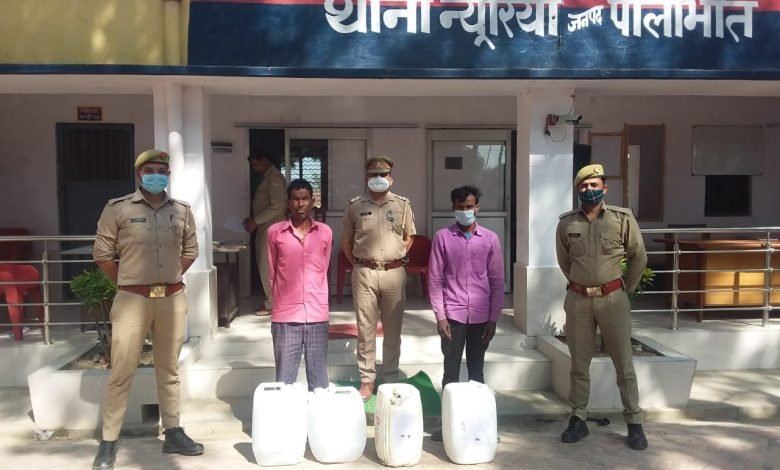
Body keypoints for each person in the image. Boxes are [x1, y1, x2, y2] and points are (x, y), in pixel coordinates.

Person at [92, 149, 203, 470]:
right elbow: (103, 254)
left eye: (162, 170)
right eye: (150, 169)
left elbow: (191, 250)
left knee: (169, 369)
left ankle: (173, 431)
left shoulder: (181, 210)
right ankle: (109, 441)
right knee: (121, 371)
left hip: (171, 298)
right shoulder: (118, 208)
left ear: (168, 175)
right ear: (139, 174)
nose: (157, 175)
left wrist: (170, 277)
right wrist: (129, 282)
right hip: (132, 299)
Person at [555, 163, 649, 451]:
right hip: (578, 300)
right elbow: (564, 261)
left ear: (604, 188)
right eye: (584, 186)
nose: (589, 190)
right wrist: (581, 283)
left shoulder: (622, 218)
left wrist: (623, 290)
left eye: (594, 185)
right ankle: (578, 419)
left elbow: (638, 256)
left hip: (613, 300)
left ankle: (634, 423)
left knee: (624, 363)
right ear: (577, 190)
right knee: (578, 364)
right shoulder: (567, 223)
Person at [428, 185, 504, 441]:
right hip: (453, 315)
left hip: (481, 317)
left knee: (476, 371)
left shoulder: (490, 239)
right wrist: (440, 316)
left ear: (477, 207)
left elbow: (497, 281)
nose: (465, 211)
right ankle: (447, 425)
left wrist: (493, 318)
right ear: (453, 208)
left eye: (469, 206)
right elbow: (435, 279)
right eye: (460, 207)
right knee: (450, 372)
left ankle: (478, 423)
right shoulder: (442, 238)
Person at [341, 155, 416, 400]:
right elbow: (346, 241)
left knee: (393, 331)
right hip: (365, 273)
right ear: (366, 177)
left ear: (391, 178)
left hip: (394, 273)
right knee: (366, 330)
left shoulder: (403, 205)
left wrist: (395, 256)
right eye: (374, 175)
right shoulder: (354, 206)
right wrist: (360, 264)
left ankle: (391, 376)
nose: (378, 179)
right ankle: (367, 379)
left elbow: (409, 237)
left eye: (383, 175)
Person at [267, 179, 332, 390]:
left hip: (316, 314)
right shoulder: (275, 232)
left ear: (313, 201)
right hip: (286, 315)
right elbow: (272, 272)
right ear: (288, 202)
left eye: (305, 199)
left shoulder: (325, 232)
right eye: (295, 199)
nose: (300, 204)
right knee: (284, 382)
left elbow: (324, 267)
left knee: (319, 383)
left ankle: (318, 412)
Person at [244, 150, 287, 315]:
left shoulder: (274, 177)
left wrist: (256, 221)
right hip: (266, 224)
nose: (254, 168)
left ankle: (271, 304)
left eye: (256, 164)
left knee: (267, 265)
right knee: (267, 264)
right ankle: (273, 300)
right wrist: (254, 219)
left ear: (265, 161)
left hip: (272, 225)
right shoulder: (268, 177)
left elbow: (278, 206)